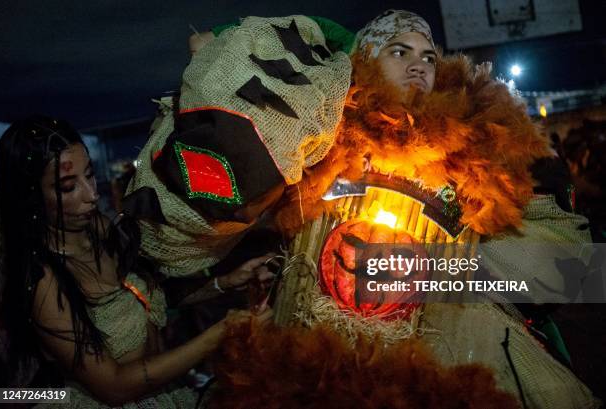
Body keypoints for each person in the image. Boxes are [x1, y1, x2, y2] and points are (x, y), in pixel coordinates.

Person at [206, 10, 600, 409]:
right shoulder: (316, 139)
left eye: (429, 57)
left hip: (445, 369)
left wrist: (444, 272)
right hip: (316, 370)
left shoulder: (479, 145)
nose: (419, 65)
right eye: (399, 51)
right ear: (366, 60)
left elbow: (567, 271)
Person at [0, 115, 273, 408]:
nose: (91, 195)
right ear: (31, 197)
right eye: (68, 187)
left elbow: (148, 298)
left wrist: (224, 282)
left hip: (167, 394)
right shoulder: (43, 280)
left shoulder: (100, 229)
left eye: (89, 175)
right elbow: (113, 387)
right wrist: (218, 334)